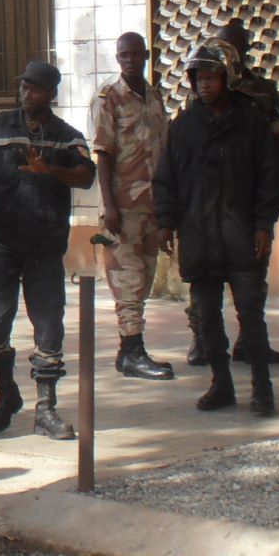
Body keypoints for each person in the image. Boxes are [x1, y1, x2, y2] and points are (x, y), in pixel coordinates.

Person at [0, 61, 95, 440]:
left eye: (34, 88)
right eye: (23, 86)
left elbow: (87, 176)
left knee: (48, 327)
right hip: (0, 245)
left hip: (44, 249)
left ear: (51, 93)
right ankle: (7, 394)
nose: (25, 93)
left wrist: (52, 171)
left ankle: (46, 409)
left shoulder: (66, 136)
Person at [153, 39, 279, 416]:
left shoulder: (251, 121)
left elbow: (268, 176)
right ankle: (221, 383)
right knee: (206, 317)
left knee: (251, 314)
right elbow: (166, 178)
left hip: (241, 234)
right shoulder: (183, 126)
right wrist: (166, 222)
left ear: (229, 78)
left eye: (212, 77)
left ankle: (262, 387)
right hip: (199, 236)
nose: (204, 84)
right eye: (199, 78)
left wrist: (264, 225)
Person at [181, 18, 279, 367]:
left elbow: (278, 142)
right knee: (205, 277)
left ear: (245, 50)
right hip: (209, 197)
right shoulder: (202, 86)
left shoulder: (262, 91)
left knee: (253, 273)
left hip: (252, 192)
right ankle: (202, 340)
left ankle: (251, 341)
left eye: (235, 46)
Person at [88, 32, 175, 379]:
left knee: (144, 279)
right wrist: (109, 205)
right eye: (123, 55)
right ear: (117, 57)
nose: (129, 60)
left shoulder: (155, 98)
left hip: (152, 205)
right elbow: (103, 154)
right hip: (122, 207)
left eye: (135, 54)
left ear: (146, 56)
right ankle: (133, 351)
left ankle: (129, 353)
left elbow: (164, 153)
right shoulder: (109, 98)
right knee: (127, 282)